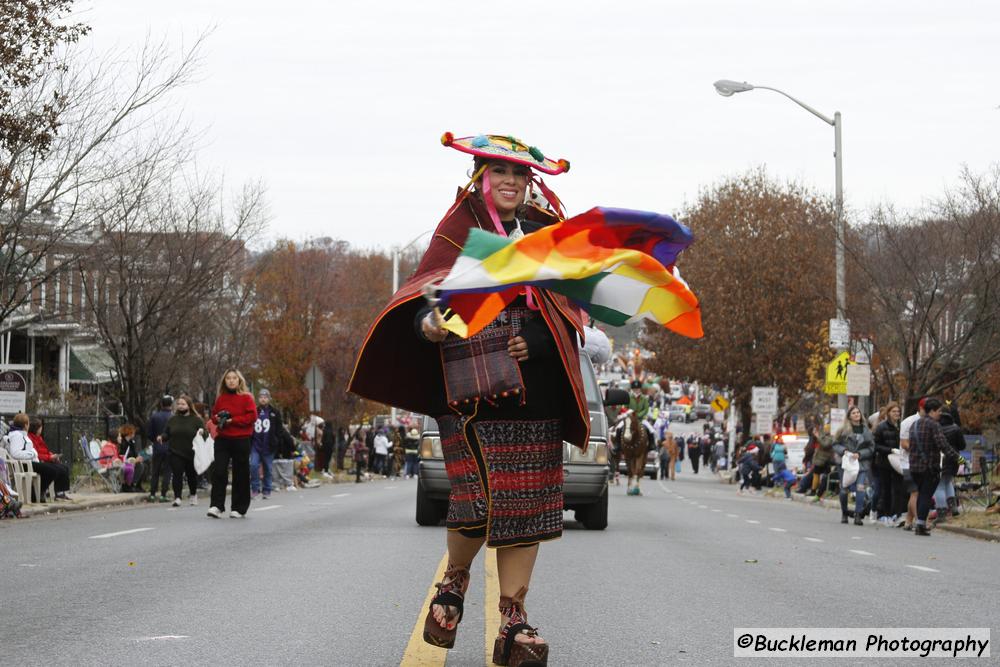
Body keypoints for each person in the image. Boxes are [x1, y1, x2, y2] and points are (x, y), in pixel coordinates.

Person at [349, 132, 589, 665]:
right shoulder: (457, 230)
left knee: (525, 508)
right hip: (469, 395)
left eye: (519, 174)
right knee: (477, 503)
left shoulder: (549, 232)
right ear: (479, 176)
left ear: (531, 182)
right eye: (497, 172)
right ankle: (454, 580)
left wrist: (543, 339)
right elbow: (422, 298)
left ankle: (513, 620)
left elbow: (575, 311)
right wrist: (429, 324)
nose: (508, 181)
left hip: (535, 395)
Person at [206, 369, 257, 519]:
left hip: (241, 439)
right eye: (228, 378)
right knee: (219, 471)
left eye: (234, 378)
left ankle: (239, 508)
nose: (231, 380)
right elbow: (214, 416)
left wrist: (232, 420)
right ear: (224, 381)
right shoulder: (221, 398)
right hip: (223, 438)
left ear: (239, 380)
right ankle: (216, 506)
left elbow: (251, 417)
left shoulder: (247, 398)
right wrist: (219, 418)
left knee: (240, 473)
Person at [907, 398, 958, 536]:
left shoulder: (915, 425)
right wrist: (959, 459)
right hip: (929, 466)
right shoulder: (934, 425)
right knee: (925, 495)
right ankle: (920, 525)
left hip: (914, 466)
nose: (940, 413)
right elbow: (943, 445)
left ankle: (920, 522)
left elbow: (910, 446)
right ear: (932, 411)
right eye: (939, 411)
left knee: (921, 494)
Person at [833, 405, 875, 526]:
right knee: (844, 489)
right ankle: (844, 513)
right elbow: (835, 444)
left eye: (858, 413)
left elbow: (871, 448)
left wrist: (860, 454)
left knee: (860, 487)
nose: (857, 415)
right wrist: (844, 451)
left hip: (861, 464)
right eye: (854, 413)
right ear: (849, 416)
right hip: (845, 463)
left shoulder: (866, 430)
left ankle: (858, 514)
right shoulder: (843, 430)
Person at [162, 394, 204, 506]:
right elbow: (167, 433)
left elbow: (205, 432)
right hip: (175, 451)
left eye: (183, 404)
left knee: (191, 475)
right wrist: (162, 437)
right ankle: (177, 497)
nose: (180, 406)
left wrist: (201, 432)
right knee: (177, 474)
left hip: (191, 453)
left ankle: (193, 495)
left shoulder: (196, 420)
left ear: (189, 406)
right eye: (178, 404)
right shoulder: (172, 419)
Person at [250, 388, 286, 500]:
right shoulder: (254, 411)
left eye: (265, 397)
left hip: (269, 445)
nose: (263, 399)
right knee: (253, 465)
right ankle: (255, 488)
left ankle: (267, 489)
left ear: (269, 399)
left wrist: (277, 442)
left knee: (268, 469)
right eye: (261, 397)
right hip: (256, 445)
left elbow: (280, 430)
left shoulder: (274, 412)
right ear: (258, 399)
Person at [23, 417, 71, 501]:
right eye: (40, 427)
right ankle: (41, 491)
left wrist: (52, 455)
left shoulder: (39, 438)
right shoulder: (31, 438)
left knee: (64, 468)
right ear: (37, 428)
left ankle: (59, 491)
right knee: (54, 470)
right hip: (39, 461)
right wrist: (50, 457)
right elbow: (36, 453)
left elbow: (45, 450)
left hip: (45, 459)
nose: (41, 429)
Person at [872, 403, 904, 525]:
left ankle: (896, 513)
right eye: (894, 411)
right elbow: (875, 445)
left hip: (898, 461)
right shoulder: (881, 427)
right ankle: (884, 514)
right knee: (885, 489)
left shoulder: (901, 427)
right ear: (888, 413)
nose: (896, 414)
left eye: (898, 412)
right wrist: (890, 450)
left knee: (898, 488)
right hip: (884, 462)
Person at [933, 407, 963, 522]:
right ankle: (953, 507)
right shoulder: (956, 428)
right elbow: (962, 445)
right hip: (953, 459)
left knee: (939, 486)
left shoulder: (936, 428)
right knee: (948, 481)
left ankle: (941, 512)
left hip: (940, 458)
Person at [146, 395, 174, 502]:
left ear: (161, 404)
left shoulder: (154, 416)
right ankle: (163, 495)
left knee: (155, 471)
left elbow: (149, 433)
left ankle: (152, 494)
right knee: (167, 471)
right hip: (170, 447)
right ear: (171, 405)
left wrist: (155, 440)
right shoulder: (173, 417)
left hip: (157, 447)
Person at [117, 424, 147, 494]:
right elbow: (123, 455)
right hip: (126, 462)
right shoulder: (123, 443)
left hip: (132, 460)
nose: (134, 433)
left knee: (144, 465)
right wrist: (135, 459)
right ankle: (130, 484)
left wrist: (138, 457)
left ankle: (138, 485)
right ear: (129, 433)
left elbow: (134, 453)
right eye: (133, 432)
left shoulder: (131, 442)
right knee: (140, 466)